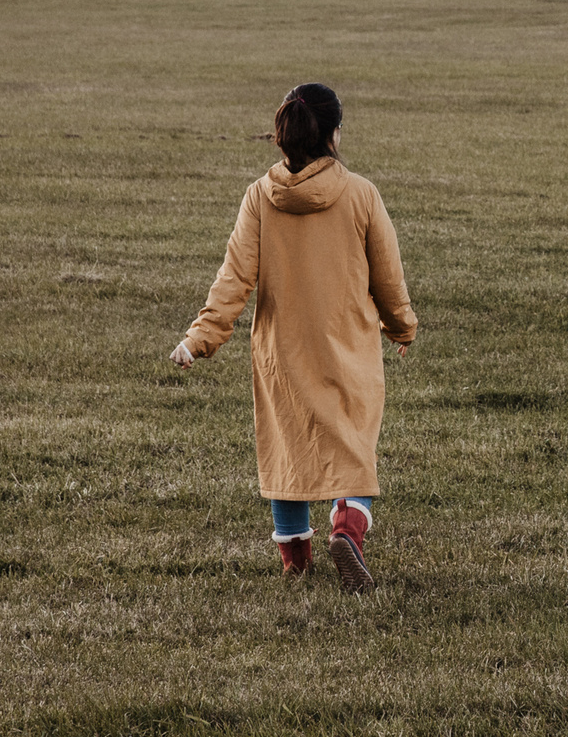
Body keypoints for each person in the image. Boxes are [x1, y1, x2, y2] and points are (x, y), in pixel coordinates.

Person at [169, 82, 417, 592]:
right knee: (352, 449)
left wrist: (200, 337)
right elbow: (387, 278)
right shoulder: (361, 195)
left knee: (288, 449)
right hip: (348, 350)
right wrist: (402, 326)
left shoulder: (261, 197)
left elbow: (233, 280)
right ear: (335, 135)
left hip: (281, 354)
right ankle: (347, 528)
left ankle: (295, 562)